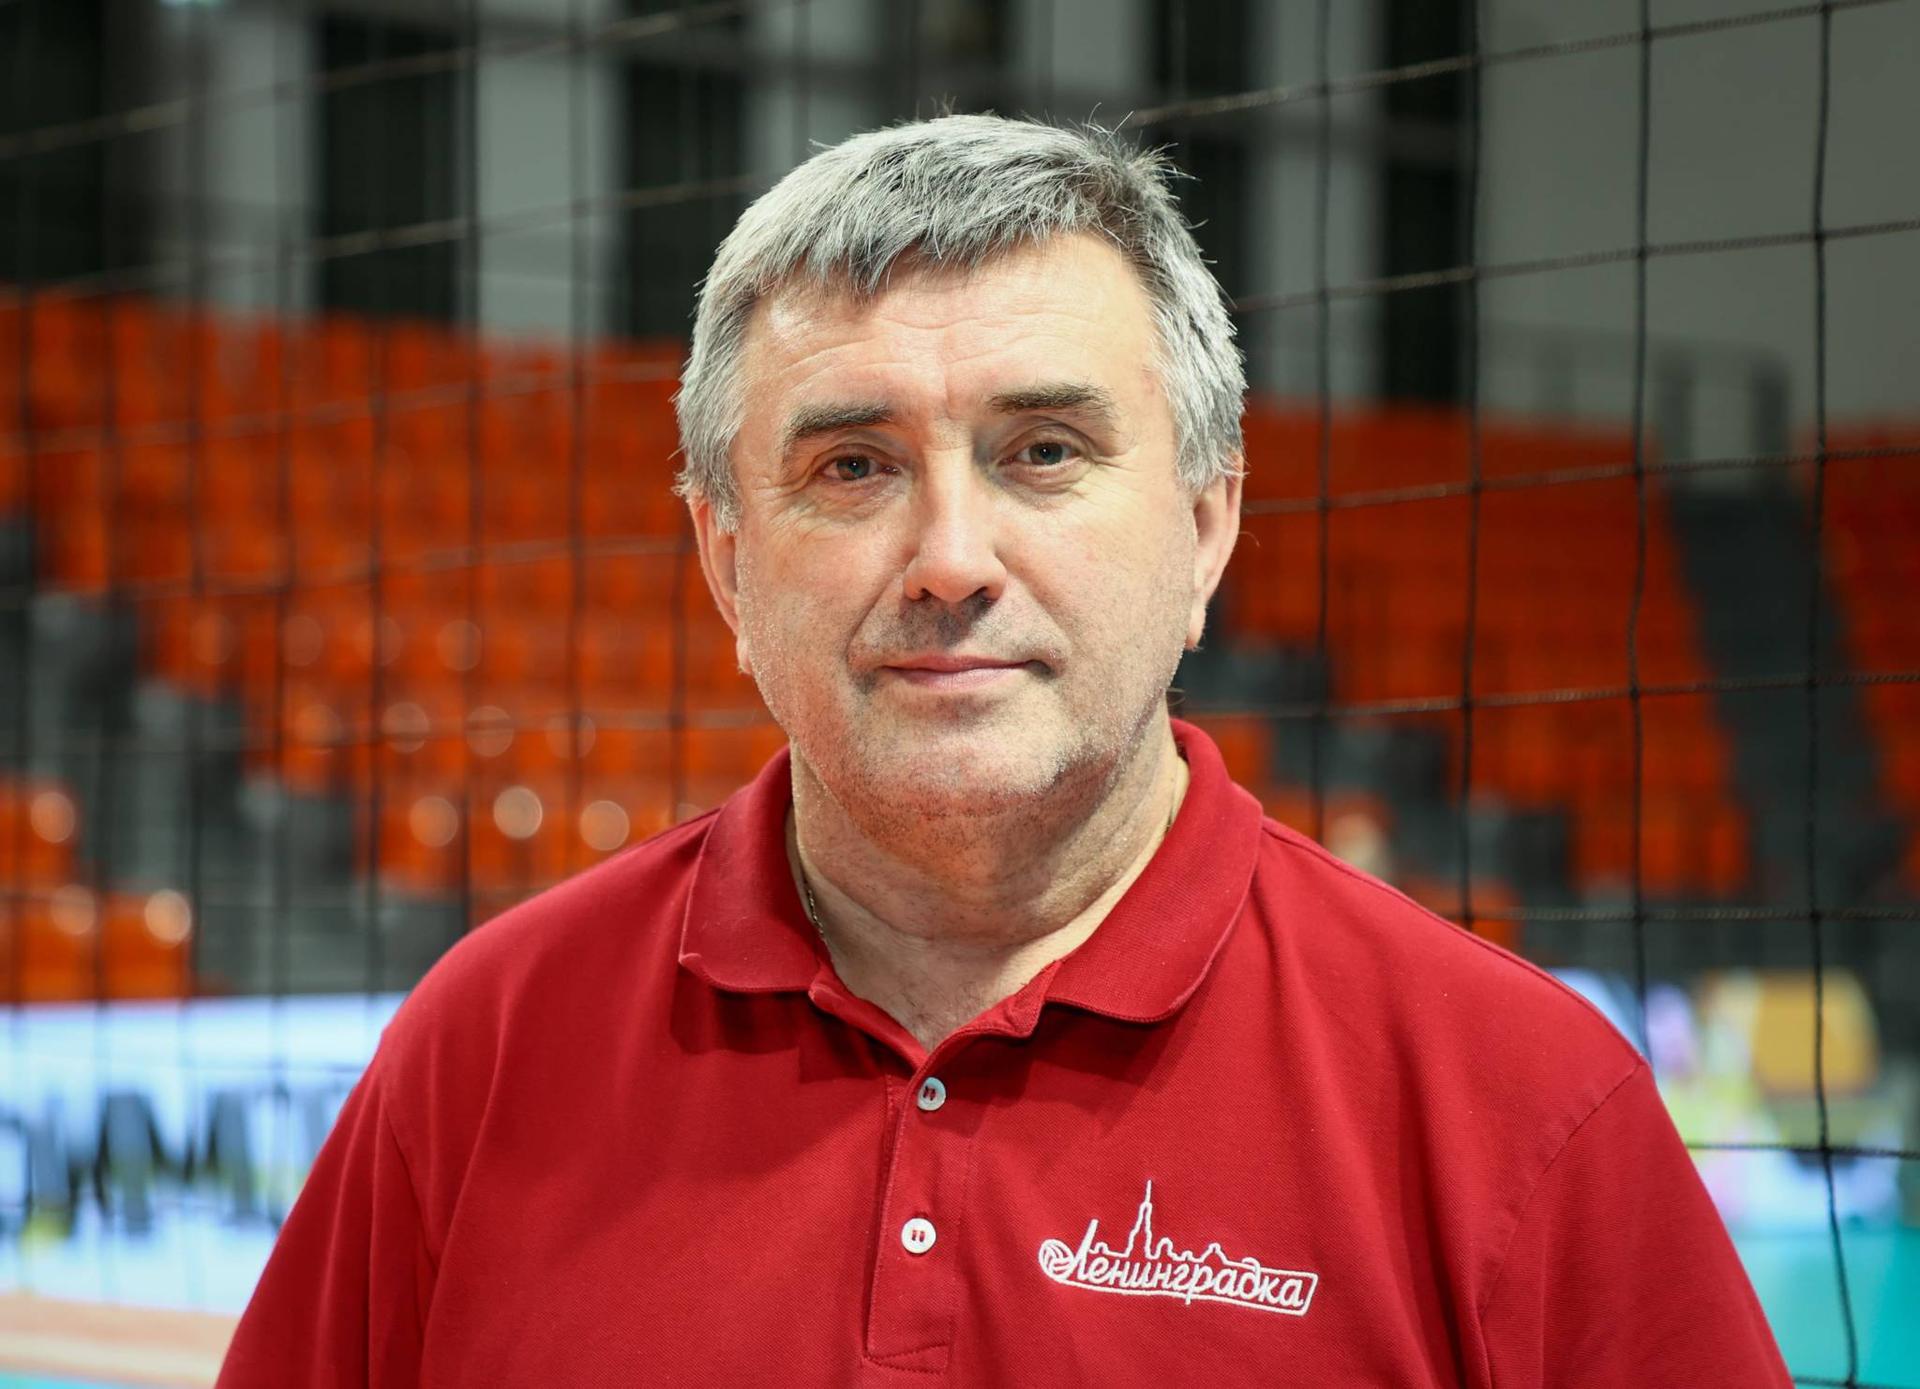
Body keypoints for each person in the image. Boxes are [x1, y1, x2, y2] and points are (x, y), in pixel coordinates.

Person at [217, 114, 1789, 1387]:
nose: (951, 558)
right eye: (854, 465)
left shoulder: (1525, 1108)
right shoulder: (484, 1053)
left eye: (1044, 450)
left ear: (1206, 524)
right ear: (726, 562)